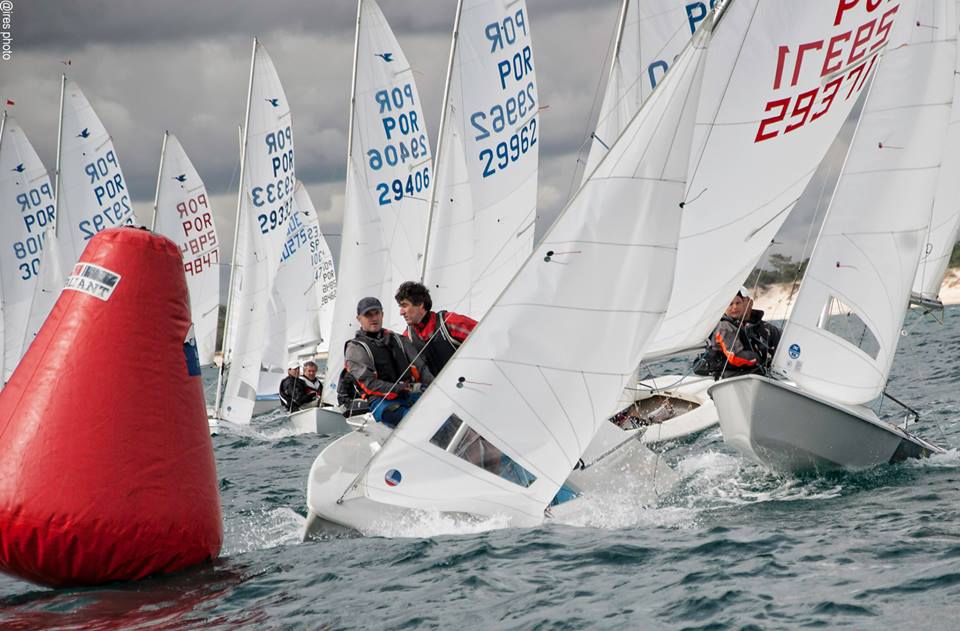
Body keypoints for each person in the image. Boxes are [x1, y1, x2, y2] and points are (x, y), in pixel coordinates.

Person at [344, 296, 433, 427]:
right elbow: (369, 384)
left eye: (376, 313)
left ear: (382, 314)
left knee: (443, 411)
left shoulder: (398, 339)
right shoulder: (355, 348)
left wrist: (434, 387)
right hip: (382, 402)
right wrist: (404, 388)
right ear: (359, 319)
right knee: (414, 420)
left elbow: (421, 368)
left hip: (410, 394)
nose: (374, 318)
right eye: (368, 315)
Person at [694, 286, 781, 379]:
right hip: (731, 379)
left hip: (758, 377)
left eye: (738, 303)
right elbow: (735, 357)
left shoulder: (765, 328)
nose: (734, 307)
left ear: (749, 303)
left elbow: (783, 344)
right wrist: (757, 359)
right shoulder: (724, 327)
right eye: (730, 304)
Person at [395, 281, 477, 376]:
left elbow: (485, 333)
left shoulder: (450, 322)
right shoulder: (408, 338)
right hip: (438, 390)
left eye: (404, 306)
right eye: (400, 307)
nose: (401, 312)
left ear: (420, 304)